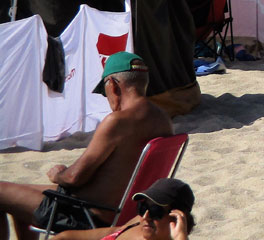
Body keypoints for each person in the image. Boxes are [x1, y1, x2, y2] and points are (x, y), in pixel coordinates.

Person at [0, 53, 173, 238]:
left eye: (104, 90)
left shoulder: (117, 122)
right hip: (126, 211)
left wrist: (59, 174)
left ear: (113, 85)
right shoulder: (164, 120)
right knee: (19, 194)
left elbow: (75, 178)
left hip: (86, 215)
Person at [55, 177, 196, 240]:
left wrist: (180, 238)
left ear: (177, 217)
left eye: (155, 211)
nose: (145, 216)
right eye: (142, 207)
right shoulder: (137, 223)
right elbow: (66, 237)